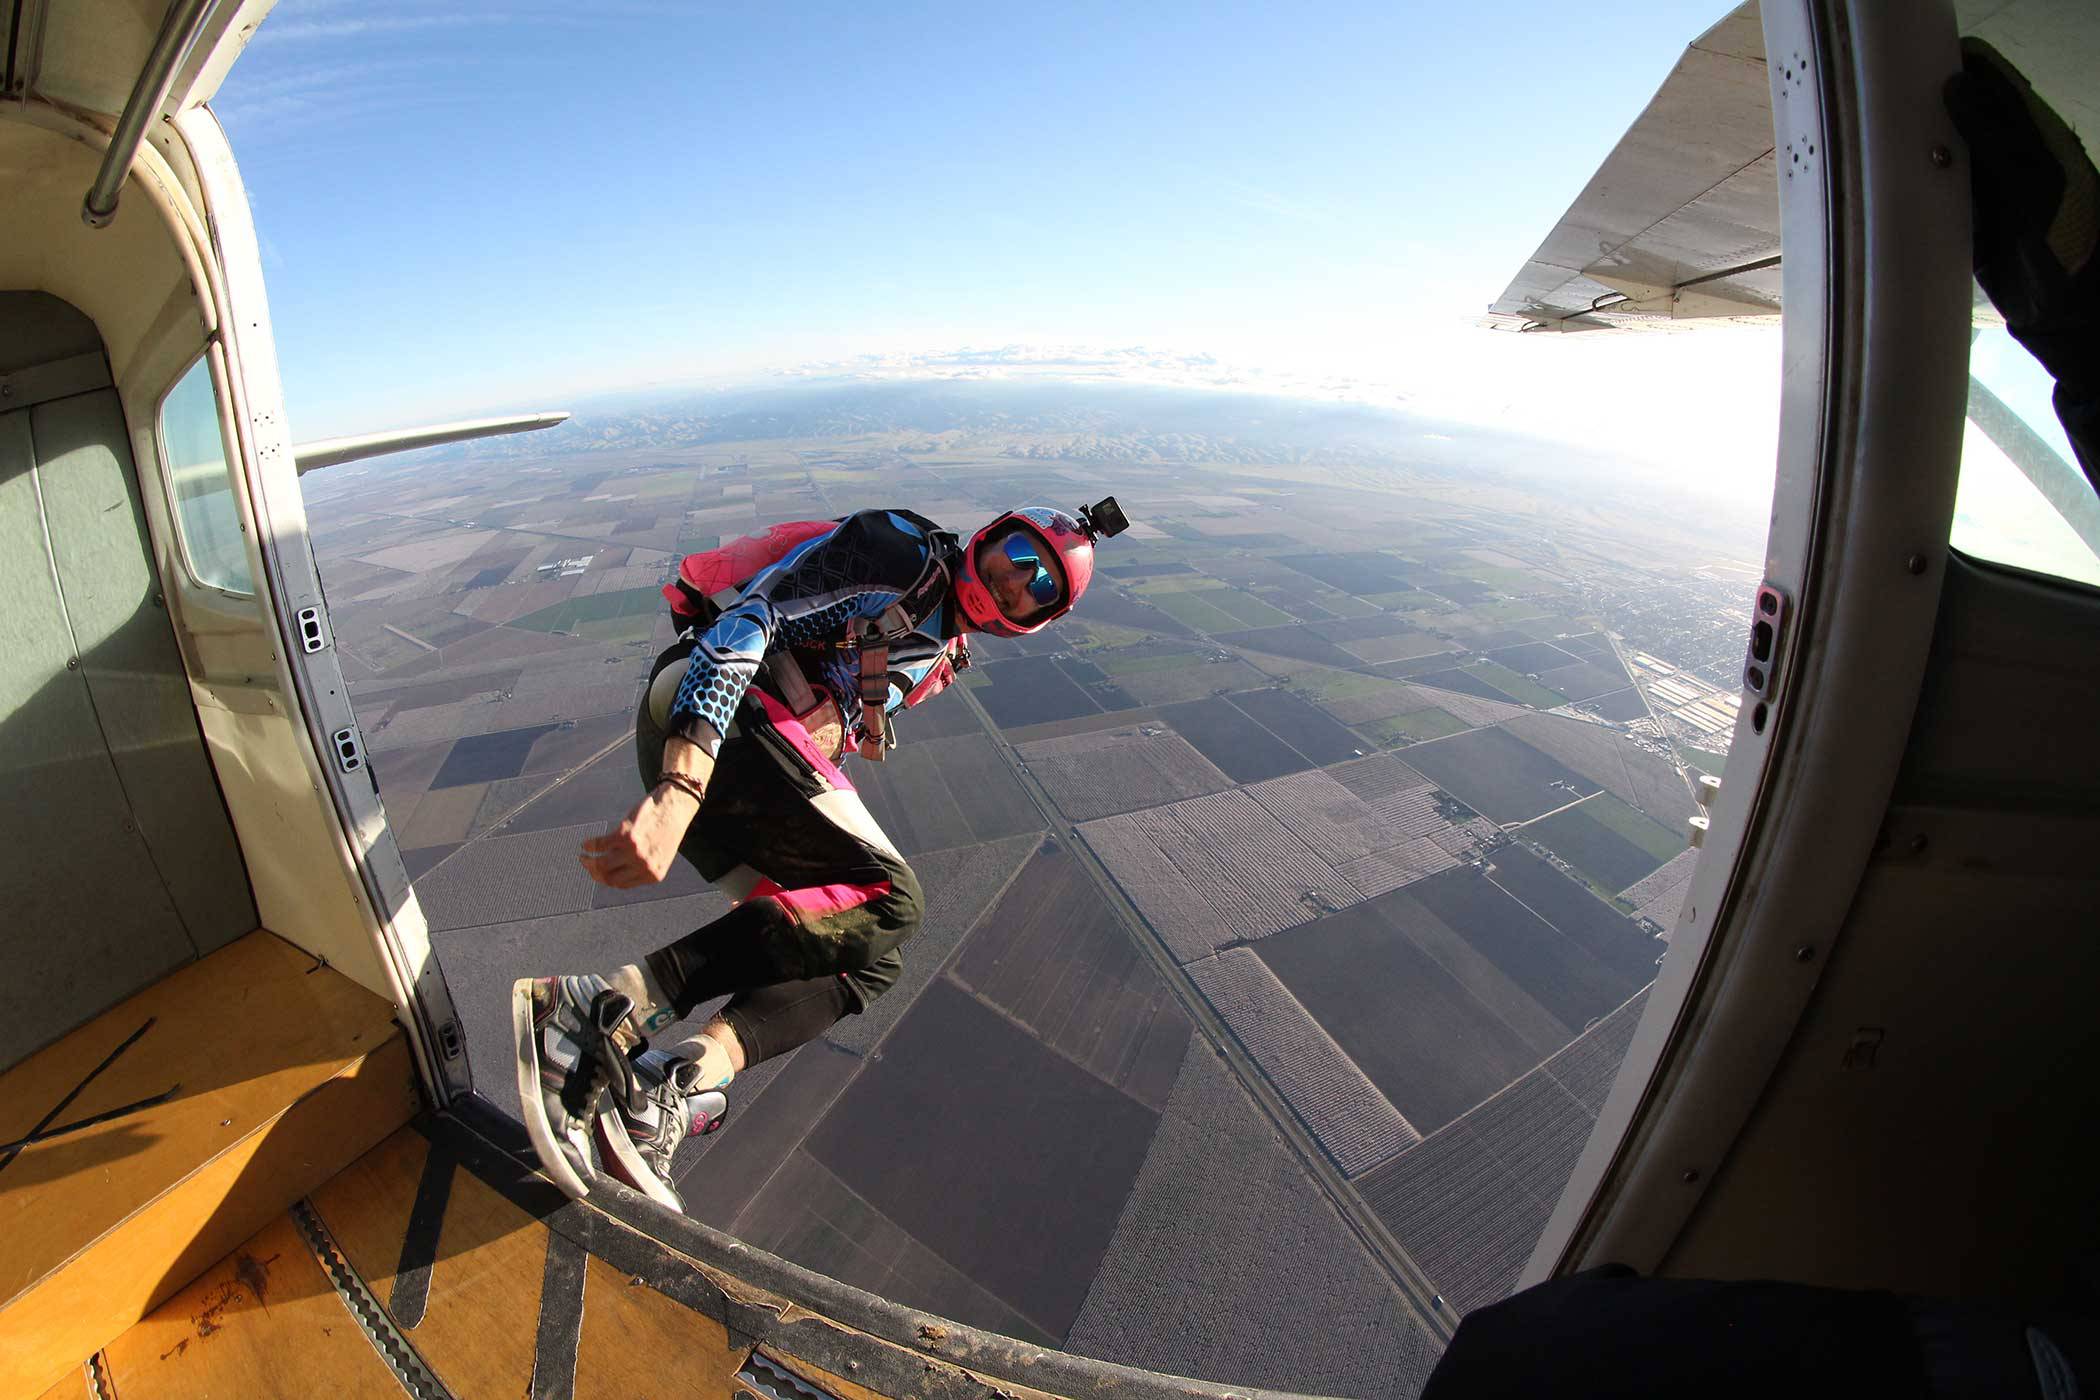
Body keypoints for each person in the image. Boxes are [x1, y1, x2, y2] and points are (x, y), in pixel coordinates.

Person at [515, 501, 1121, 1210]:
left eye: (1036, 587)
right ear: (989, 535)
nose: (1012, 583)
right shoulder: (899, 556)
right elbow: (748, 622)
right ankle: (591, 1010)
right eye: (1014, 558)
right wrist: (681, 788)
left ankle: (673, 1084)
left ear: (1039, 617)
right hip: (705, 712)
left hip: (749, 764)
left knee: (868, 955)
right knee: (893, 899)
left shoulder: (935, 649)